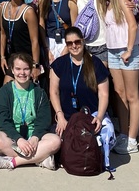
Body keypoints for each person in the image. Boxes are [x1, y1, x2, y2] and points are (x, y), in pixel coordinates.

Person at [49, 27, 115, 169]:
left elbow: (104, 94)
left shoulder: (96, 63)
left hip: (91, 116)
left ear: (83, 41)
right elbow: (53, 92)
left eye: (77, 41)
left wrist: (100, 117)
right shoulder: (59, 64)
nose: (74, 46)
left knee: (105, 135)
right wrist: (60, 116)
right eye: (69, 43)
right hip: (66, 118)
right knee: (55, 141)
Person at [96, 0, 139, 155]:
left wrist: (130, 49)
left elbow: (133, 25)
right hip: (113, 51)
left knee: (132, 95)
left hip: (127, 50)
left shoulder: (122, 0)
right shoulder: (106, 4)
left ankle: (132, 139)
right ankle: (124, 133)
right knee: (120, 94)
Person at [0, 53, 61, 170]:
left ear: (31, 70)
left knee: (55, 141)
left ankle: (13, 161)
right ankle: (40, 158)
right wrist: (18, 139)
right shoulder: (4, 91)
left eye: (26, 69)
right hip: (13, 139)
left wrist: (35, 137)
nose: (22, 73)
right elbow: (2, 121)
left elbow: (44, 120)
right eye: (18, 69)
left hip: (35, 139)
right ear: (12, 70)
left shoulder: (40, 92)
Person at [0, 0, 42, 82]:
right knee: (7, 89)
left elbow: (34, 40)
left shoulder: (28, 12)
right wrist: (2, 57)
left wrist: (35, 65)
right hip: (12, 57)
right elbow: (3, 33)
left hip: (26, 57)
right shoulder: (3, 7)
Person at [40, 0, 77, 64]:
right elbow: (41, 24)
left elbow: (74, 26)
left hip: (66, 41)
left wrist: (67, 48)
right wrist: (46, 48)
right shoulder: (43, 1)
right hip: (49, 41)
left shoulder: (70, 1)